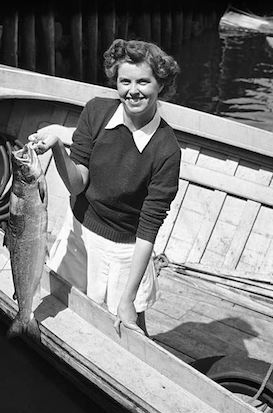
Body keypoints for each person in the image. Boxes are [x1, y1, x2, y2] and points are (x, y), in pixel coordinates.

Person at [28, 38, 181, 336]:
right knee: (64, 316)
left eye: (143, 82)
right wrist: (60, 147)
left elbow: (148, 230)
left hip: (124, 252)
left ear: (160, 84)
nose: (133, 90)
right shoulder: (96, 112)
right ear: (116, 81)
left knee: (125, 330)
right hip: (79, 232)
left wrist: (128, 299)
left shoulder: (167, 150)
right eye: (125, 81)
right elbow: (77, 185)